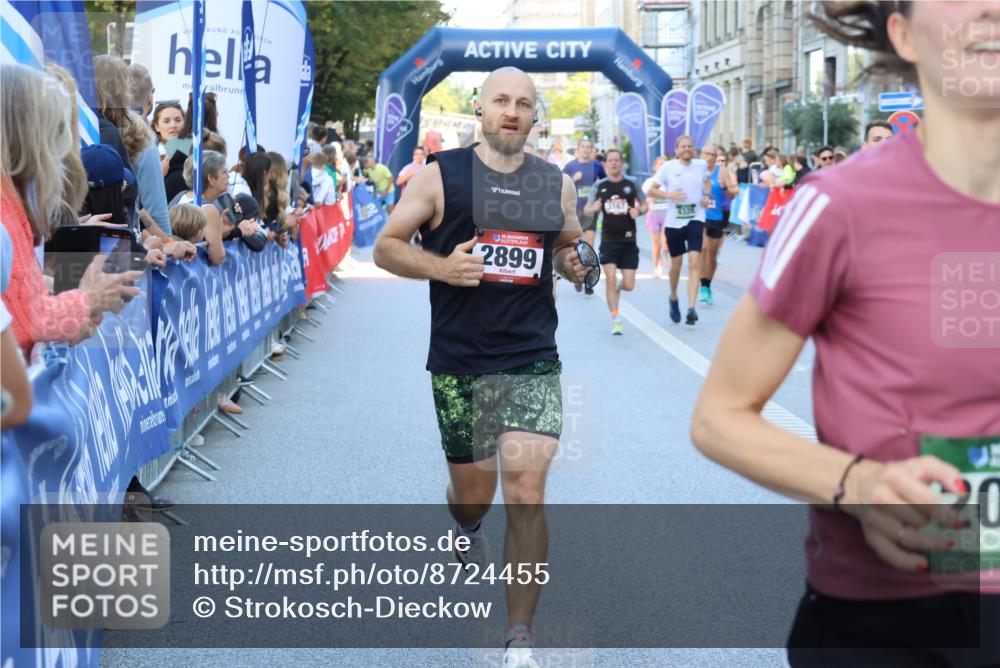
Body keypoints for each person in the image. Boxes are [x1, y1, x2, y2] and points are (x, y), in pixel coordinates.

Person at [691, 1, 1000, 665]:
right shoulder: (840, 206)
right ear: (903, 34)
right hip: (891, 623)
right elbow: (719, 417)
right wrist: (860, 486)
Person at [373, 66, 590, 668]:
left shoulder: (554, 182)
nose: (512, 111)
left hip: (530, 358)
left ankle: (519, 636)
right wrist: (442, 268)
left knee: (527, 490)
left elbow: (568, 244)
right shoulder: (442, 177)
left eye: (524, 103)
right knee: (475, 498)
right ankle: (463, 522)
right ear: (480, 109)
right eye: (501, 101)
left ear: (535, 115)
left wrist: (576, 264)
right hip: (461, 360)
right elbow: (386, 246)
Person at [1, 64, 141, 352]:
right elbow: (21, 322)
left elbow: (28, 313)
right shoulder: (7, 209)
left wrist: (75, 320)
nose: (62, 144)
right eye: (55, 125)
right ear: (25, 133)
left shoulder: (16, 201)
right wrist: (86, 299)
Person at [95, 55, 171, 237]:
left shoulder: (78, 128)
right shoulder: (136, 135)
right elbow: (153, 206)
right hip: (121, 246)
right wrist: (168, 243)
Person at [648, 135, 712, 325]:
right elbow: (652, 190)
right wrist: (669, 194)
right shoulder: (668, 168)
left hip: (696, 218)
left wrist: (706, 195)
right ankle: (674, 296)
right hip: (674, 222)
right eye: (683, 146)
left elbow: (707, 180)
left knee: (694, 261)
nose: (687, 149)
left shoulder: (701, 165)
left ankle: (691, 308)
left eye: (690, 146)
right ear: (676, 150)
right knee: (676, 265)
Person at [584, 148, 645, 335]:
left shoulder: (632, 183)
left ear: (622, 163)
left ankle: (618, 287)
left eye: (617, 160)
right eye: (610, 160)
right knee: (610, 277)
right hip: (609, 240)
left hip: (628, 241)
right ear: (605, 164)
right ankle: (616, 317)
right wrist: (592, 208)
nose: (613, 163)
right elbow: (586, 210)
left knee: (629, 285)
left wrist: (639, 211)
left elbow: (645, 203)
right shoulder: (600, 186)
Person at [168, 150, 231, 266]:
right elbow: (217, 258)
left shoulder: (180, 196)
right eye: (224, 172)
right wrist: (226, 230)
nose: (229, 176)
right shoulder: (208, 209)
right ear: (211, 179)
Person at [562, 137, 606, 293]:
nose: (586, 149)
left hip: (590, 211)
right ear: (579, 149)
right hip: (573, 211)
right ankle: (577, 275)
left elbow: (605, 183)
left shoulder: (597, 166)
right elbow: (561, 186)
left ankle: (587, 277)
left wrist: (600, 200)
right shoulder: (571, 166)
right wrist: (573, 180)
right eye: (583, 146)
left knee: (590, 244)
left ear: (592, 149)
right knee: (576, 246)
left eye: (589, 146)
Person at [700, 145, 738, 306]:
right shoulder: (695, 170)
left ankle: (708, 285)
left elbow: (731, 195)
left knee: (712, 255)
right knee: (703, 248)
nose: (709, 157)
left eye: (712, 155)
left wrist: (724, 187)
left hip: (716, 216)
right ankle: (703, 285)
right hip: (699, 216)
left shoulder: (722, 172)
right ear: (701, 155)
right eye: (706, 154)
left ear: (717, 157)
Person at [642, 156, 670, 279]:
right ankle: (657, 266)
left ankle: (666, 254)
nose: (662, 167)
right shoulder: (649, 182)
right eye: (660, 164)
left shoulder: (670, 181)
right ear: (655, 167)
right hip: (653, 214)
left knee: (665, 242)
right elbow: (643, 198)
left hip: (667, 213)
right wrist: (648, 200)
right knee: (656, 244)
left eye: (665, 164)